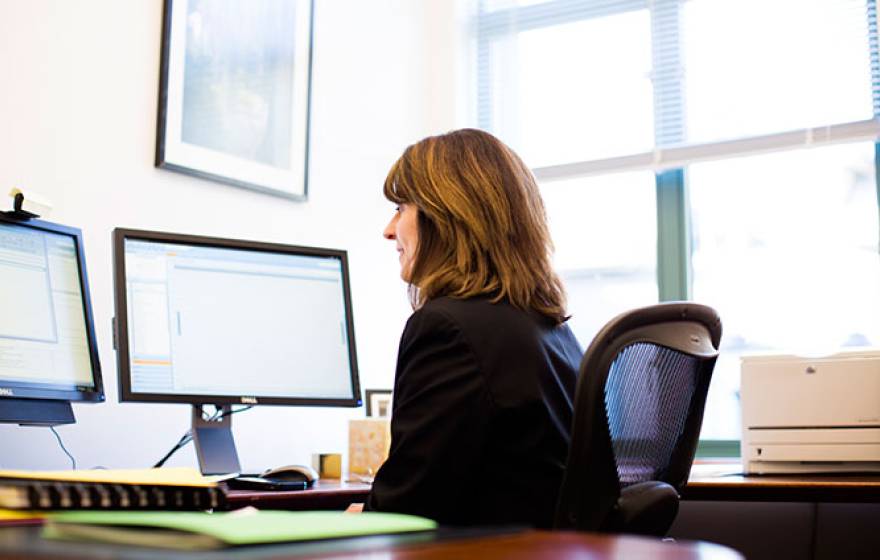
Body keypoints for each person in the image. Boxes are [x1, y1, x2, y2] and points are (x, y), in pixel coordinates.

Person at [365, 128, 583, 528]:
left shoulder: (446, 329)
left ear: (444, 215)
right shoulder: (551, 333)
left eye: (401, 207)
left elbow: (405, 511)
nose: (389, 229)